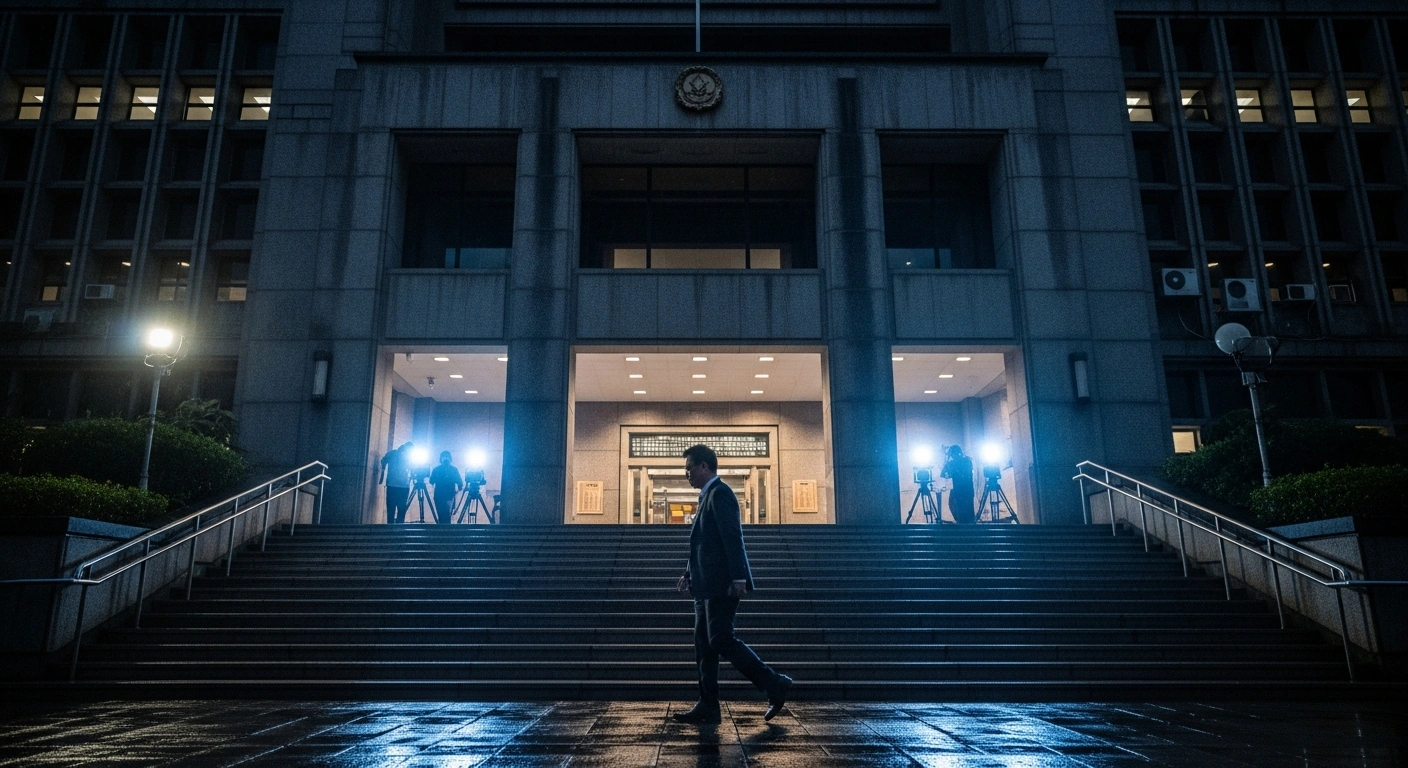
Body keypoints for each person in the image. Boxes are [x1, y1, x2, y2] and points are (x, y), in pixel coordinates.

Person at [673, 444, 792, 724]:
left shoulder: (721, 493)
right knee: (704, 645)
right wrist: (689, 572)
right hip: (704, 585)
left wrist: (738, 577)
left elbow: (732, 537)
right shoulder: (707, 497)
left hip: (722, 584)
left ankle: (773, 682)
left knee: (720, 638)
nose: (687, 474)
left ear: (704, 466)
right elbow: (703, 542)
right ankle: (708, 705)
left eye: (689, 468)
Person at [379, 441, 414, 524]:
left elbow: (383, 461)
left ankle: (390, 527)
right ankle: (399, 526)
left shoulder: (392, 453)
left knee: (391, 508)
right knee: (401, 509)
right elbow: (413, 470)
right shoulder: (409, 457)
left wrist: (384, 469)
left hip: (391, 485)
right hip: (404, 486)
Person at [941, 444, 976, 525]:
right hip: (968, 490)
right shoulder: (968, 461)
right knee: (969, 511)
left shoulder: (952, 463)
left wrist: (946, 459)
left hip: (958, 491)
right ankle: (970, 528)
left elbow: (943, 473)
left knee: (958, 509)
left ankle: (962, 526)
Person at [429, 450, 463, 525]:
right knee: (443, 515)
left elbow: (460, 483)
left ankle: (444, 531)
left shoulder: (451, 470)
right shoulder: (451, 470)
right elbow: (431, 481)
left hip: (447, 495)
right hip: (442, 495)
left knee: (446, 515)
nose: (445, 459)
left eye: (447, 457)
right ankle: (444, 531)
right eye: (444, 457)